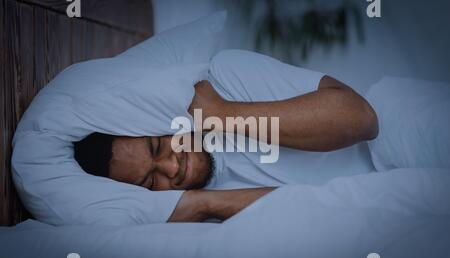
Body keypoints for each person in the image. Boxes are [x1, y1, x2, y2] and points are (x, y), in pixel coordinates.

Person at [74, 51, 378, 223]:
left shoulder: (224, 78)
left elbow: (361, 119)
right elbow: (318, 217)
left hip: (397, 144)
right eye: (152, 181)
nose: (171, 168)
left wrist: (220, 113)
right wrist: (206, 204)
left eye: (157, 146)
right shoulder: (193, 215)